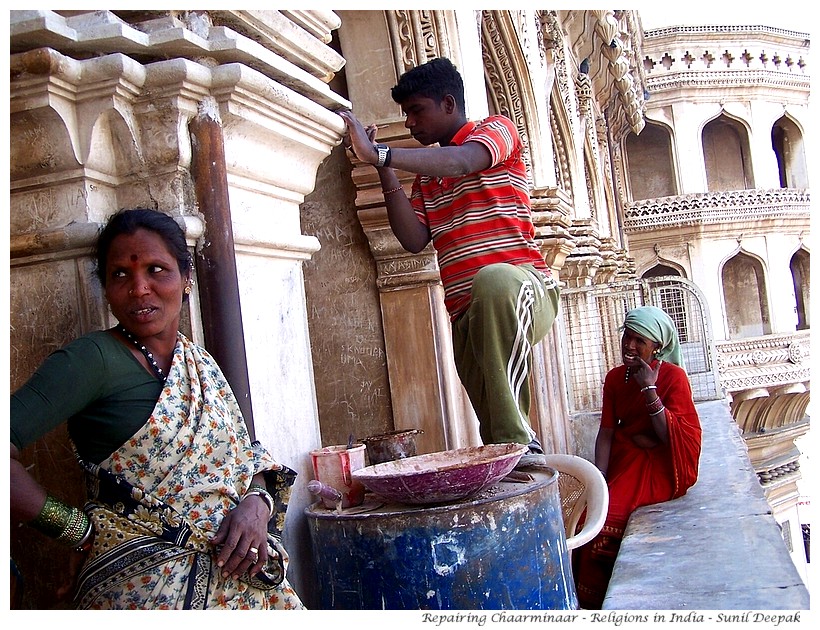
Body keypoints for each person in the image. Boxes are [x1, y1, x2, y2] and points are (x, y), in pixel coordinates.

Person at [10, 208, 304, 610]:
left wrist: (256, 505)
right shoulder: (91, 360)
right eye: (120, 275)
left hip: (244, 586)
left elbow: (245, 459)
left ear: (185, 279)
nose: (139, 288)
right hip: (141, 589)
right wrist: (76, 529)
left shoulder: (199, 364)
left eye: (156, 270)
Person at [338, 57, 560, 468]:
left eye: (416, 110)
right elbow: (413, 240)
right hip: (466, 313)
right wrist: (380, 169)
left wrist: (383, 153)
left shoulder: (496, 131)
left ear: (447, 103)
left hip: (524, 289)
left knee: (493, 283)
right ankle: (511, 462)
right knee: (491, 426)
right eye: (405, 114)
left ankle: (520, 443)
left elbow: (461, 162)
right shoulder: (426, 178)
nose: (409, 123)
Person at [574, 305, 702, 609]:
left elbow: (671, 436)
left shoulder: (673, 377)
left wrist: (649, 389)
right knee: (583, 519)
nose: (630, 346)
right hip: (625, 455)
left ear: (656, 346)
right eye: (626, 338)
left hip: (658, 465)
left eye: (639, 341)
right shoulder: (615, 378)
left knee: (607, 524)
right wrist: (599, 479)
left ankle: (603, 600)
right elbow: (606, 432)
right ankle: (587, 600)